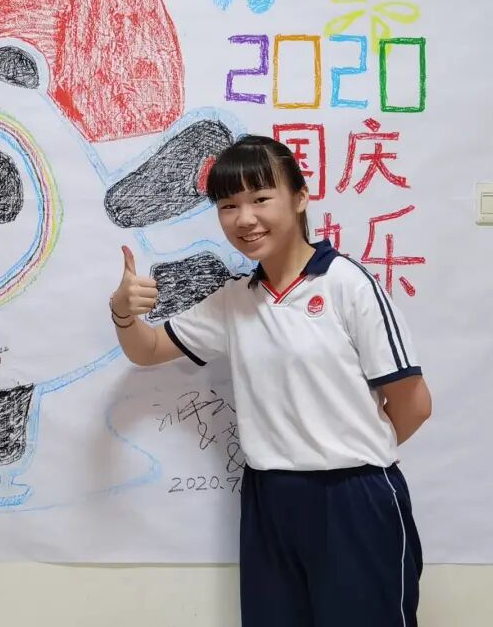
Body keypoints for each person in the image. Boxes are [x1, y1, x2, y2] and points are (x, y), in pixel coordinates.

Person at [109, 134, 431, 627]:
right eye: (228, 205)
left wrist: (348, 453)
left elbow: (414, 404)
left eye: (260, 198)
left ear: (300, 198)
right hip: (269, 498)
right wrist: (123, 313)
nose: (244, 218)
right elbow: (148, 350)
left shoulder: (347, 284)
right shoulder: (235, 300)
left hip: (353, 498)